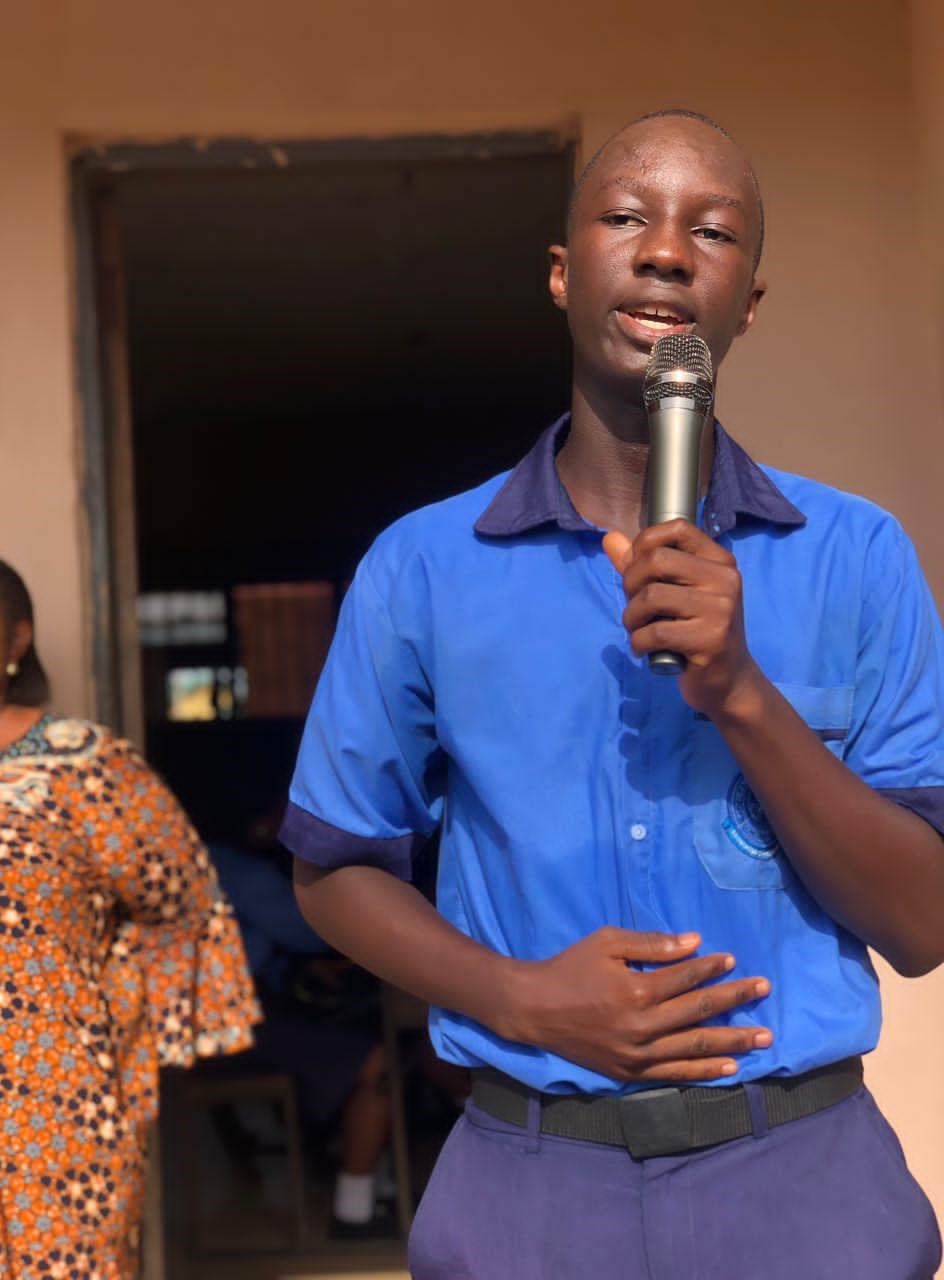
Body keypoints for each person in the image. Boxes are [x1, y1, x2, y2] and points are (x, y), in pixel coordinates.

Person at [280, 110, 944, 1278]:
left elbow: (924, 920)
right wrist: (523, 999)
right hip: (528, 1188)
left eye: (715, 231)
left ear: (747, 303)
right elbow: (335, 869)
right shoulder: (424, 567)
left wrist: (740, 690)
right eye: (627, 216)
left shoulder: (859, 555)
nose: (667, 251)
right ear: (560, 270)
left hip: (805, 1182)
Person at [0, 550, 260, 1277]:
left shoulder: (85, 764)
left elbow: (181, 899)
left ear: (16, 639)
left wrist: (128, 1032)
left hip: (49, 1109)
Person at [208, 829, 396, 1238]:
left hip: (203, 1025)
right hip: (225, 1024)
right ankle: (355, 1213)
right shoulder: (219, 861)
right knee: (376, 1064)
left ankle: (376, 1187)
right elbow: (306, 928)